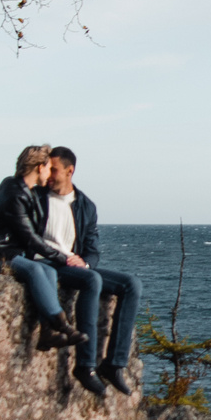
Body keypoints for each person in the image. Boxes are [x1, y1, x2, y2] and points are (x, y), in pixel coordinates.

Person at [43, 146, 139, 397]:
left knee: (131, 284)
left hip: (72, 265)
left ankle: (114, 364)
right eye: (47, 169)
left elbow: (93, 249)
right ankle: (85, 366)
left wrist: (84, 263)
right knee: (91, 280)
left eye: (54, 170)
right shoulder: (37, 197)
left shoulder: (85, 205)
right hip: (45, 263)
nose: (48, 175)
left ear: (69, 171)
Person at [0, 145, 85, 347]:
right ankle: (61, 324)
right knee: (35, 270)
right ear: (40, 167)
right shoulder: (16, 194)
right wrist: (64, 258)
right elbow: (30, 238)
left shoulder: (22, 189)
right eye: (49, 168)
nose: (50, 174)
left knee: (48, 272)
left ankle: (46, 333)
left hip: (8, 250)